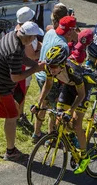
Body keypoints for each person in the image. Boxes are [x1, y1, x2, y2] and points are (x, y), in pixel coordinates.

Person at [0, 22, 45, 161]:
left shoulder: (11, 35)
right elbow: (16, 77)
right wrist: (35, 69)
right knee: (12, 117)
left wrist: (35, 64)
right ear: (29, 37)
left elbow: (23, 58)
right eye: (34, 37)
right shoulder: (15, 50)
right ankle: (11, 151)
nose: (35, 40)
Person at [32, 46, 92, 174]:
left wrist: (70, 110)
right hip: (69, 87)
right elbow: (48, 85)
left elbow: (80, 95)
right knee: (59, 120)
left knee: (76, 124)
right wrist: (38, 104)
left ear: (63, 64)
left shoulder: (73, 71)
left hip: (83, 89)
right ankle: (71, 138)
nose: (50, 69)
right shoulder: (50, 68)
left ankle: (84, 155)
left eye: (54, 66)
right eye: (49, 65)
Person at [32, 15, 79, 143]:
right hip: (52, 78)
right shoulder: (63, 46)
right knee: (55, 108)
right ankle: (51, 136)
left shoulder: (50, 32)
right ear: (70, 31)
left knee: (43, 103)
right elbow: (61, 70)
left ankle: (36, 134)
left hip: (40, 75)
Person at [13, 7, 41, 134]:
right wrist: (43, 51)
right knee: (21, 93)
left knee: (21, 94)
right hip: (25, 68)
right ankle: (18, 116)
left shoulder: (21, 30)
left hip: (24, 67)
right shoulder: (26, 36)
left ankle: (19, 114)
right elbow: (31, 56)